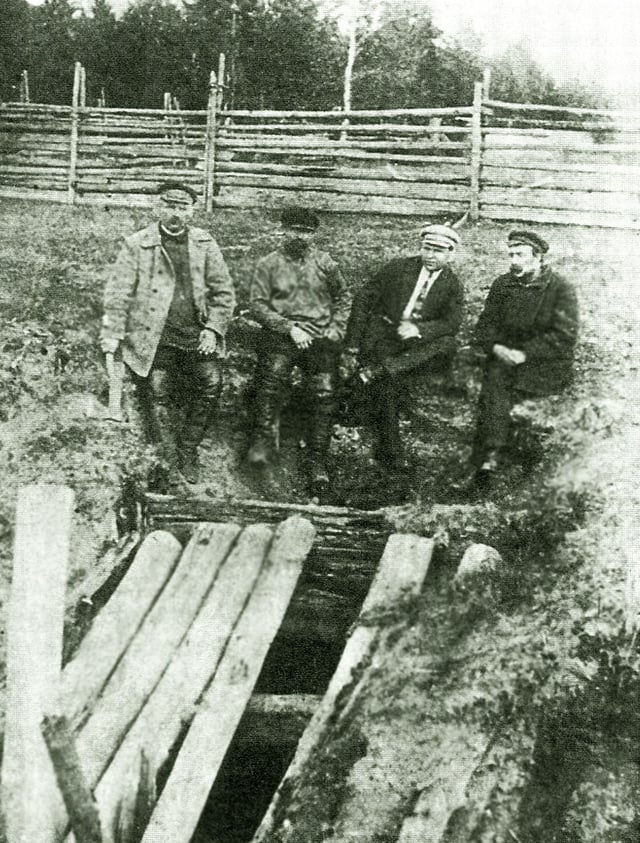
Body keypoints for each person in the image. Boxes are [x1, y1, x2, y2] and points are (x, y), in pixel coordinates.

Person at [100, 180, 236, 484]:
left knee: (211, 384)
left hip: (195, 334)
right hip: (153, 336)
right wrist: (112, 333)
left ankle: (188, 450)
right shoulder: (137, 244)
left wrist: (213, 329)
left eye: (182, 207)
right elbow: (118, 294)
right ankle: (162, 461)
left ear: (192, 211)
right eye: (169, 205)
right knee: (157, 392)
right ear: (156, 206)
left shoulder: (204, 243)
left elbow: (223, 292)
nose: (175, 213)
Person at [247, 207, 352, 495]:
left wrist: (335, 329)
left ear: (314, 234)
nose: (299, 236)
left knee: (325, 390)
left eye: (305, 231)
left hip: (319, 336)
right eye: (294, 230)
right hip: (282, 334)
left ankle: (317, 459)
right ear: (283, 230)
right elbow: (257, 304)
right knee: (271, 379)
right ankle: (263, 447)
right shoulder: (268, 264)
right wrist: (288, 327)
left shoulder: (325, 263)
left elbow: (343, 297)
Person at [344, 223, 464, 469]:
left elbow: (451, 323)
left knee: (448, 343)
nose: (431, 256)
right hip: (387, 336)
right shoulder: (399, 269)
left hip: (416, 346)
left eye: (439, 251)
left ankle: (380, 370)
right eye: (427, 248)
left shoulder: (452, 284)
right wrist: (353, 344)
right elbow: (362, 299)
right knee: (389, 386)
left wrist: (419, 330)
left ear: (451, 254)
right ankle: (392, 453)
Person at [472, 229, 579, 480]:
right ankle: (488, 461)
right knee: (494, 392)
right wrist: (496, 348)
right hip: (505, 356)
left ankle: (524, 458)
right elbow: (484, 326)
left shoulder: (560, 288)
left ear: (538, 257)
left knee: (522, 407)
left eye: (520, 254)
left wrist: (525, 354)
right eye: (511, 255)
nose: (514, 261)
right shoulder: (503, 284)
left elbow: (564, 336)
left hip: (544, 362)